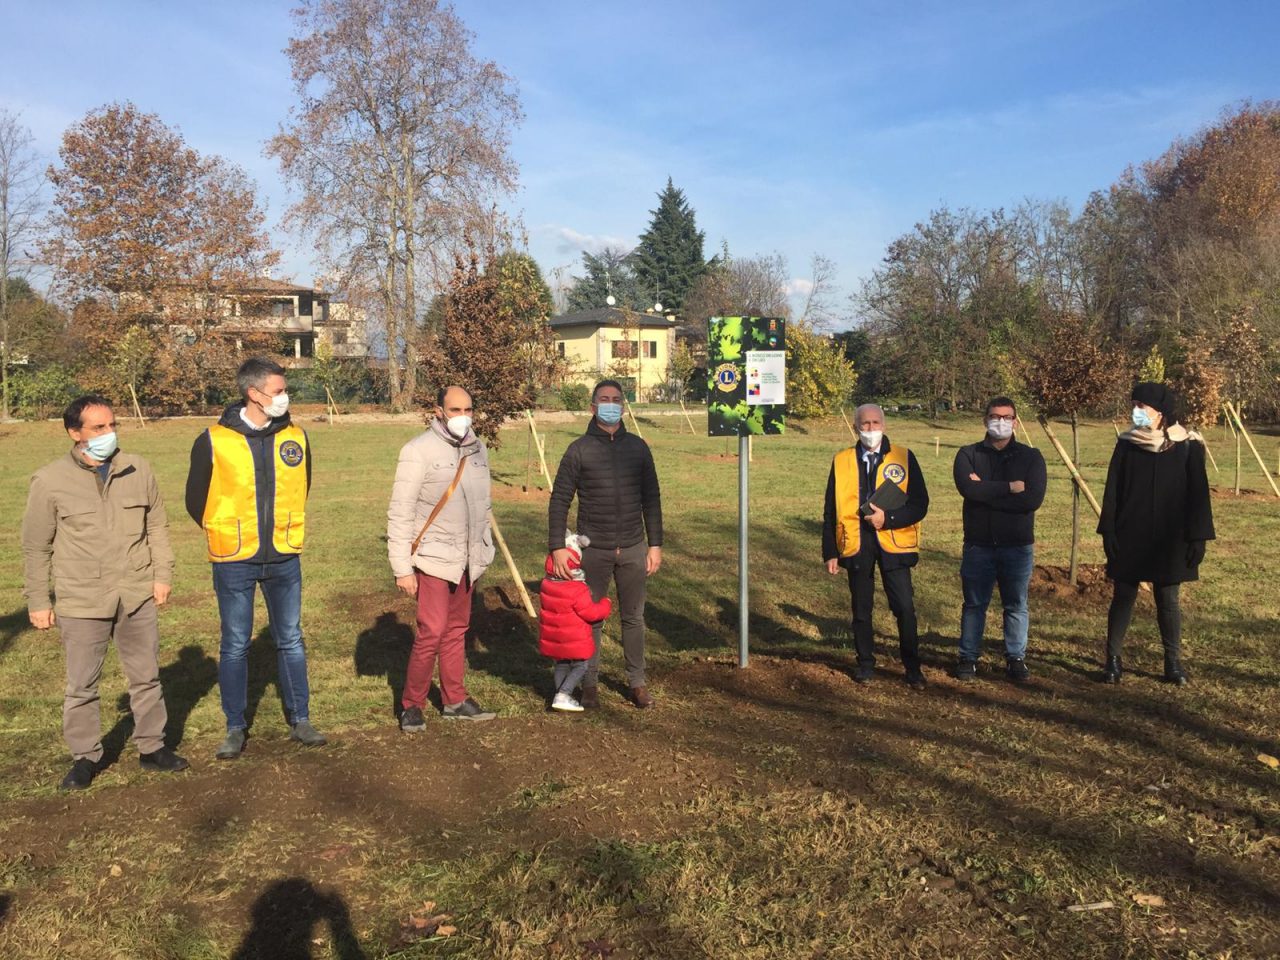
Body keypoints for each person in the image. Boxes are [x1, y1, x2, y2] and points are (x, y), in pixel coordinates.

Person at [22, 395, 189, 790]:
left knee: (147, 677)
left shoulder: (138, 468)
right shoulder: (48, 481)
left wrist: (162, 574)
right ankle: (85, 757)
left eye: (113, 425)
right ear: (74, 433)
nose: (108, 434)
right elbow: (35, 547)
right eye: (98, 428)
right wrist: (38, 602)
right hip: (81, 600)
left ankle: (152, 747)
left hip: (135, 592)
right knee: (82, 685)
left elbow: (157, 528)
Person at [185, 356, 327, 758]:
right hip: (235, 560)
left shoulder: (295, 437)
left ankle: (301, 719)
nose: (286, 398)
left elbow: (303, 487)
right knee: (234, 644)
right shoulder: (213, 440)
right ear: (254, 394)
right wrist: (230, 530)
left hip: (284, 556)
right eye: (279, 391)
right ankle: (235, 726)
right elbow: (196, 501)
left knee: (292, 640)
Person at [387, 385, 497, 729]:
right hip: (434, 557)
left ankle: (455, 699)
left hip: (468, 558)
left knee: (457, 629)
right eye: (455, 410)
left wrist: (484, 547)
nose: (463, 417)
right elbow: (400, 512)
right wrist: (402, 568)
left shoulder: (478, 449)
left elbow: (484, 505)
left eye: (468, 410)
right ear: (438, 412)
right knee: (431, 631)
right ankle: (412, 703)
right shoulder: (417, 451)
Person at [548, 380, 663, 709]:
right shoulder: (579, 449)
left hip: (632, 547)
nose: (610, 404)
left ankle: (637, 682)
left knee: (634, 618)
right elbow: (559, 501)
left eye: (616, 400)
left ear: (623, 407)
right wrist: (557, 545)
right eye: (604, 399)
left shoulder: (639, 448)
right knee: (591, 620)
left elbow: (651, 500)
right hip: (593, 550)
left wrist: (655, 545)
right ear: (592, 407)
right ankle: (590, 683)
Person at [1098, 382, 1214, 685]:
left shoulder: (1187, 444)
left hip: (1171, 537)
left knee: (1168, 599)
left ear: (1160, 412)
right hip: (1130, 532)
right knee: (1123, 595)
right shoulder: (1126, 443)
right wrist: (1108, 529)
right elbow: (1113, 489)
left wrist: (1199, 536)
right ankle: (1112, 660)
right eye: (1133, 404)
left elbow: (1199, 494)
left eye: (1141, 406)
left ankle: (1172, 663)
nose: (1135, 411)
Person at [822, 403, 930, 689]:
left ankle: (912, 668)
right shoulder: (842, 460)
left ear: (885, 424)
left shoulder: (904, 457)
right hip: (857, 542)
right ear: (855, 427)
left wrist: (889, 518)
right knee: (861, 609)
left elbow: (920, 505)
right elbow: (830, 509)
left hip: (894, 542)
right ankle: (866, 664)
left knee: (904, 607)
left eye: (875, 423)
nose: (870, 429)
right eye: (864, 424)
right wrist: (830, 551)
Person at [952, 397, 1048, 682]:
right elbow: (968, 490)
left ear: (1015, 422)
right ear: (985, 420)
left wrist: (986, 491)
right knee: (973, 604)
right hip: (978, 545)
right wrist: (1010, 488)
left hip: (1017, 546)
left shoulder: (1031, 457)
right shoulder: (967, 454)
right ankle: (968, 658)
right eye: (995, 416)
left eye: (1007, 417)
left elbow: (1032, 500)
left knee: (1016, 605)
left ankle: (1016, 657)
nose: (1001, 422)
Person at [538, 531, 613, 712]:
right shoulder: (577, 588)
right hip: (575, 638)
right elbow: (590, 613)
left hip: (555, 636)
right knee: (581, 665)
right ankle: (563, 694)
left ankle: (559, 695)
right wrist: (606, 604)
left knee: (561, 663)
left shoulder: (547, 583)